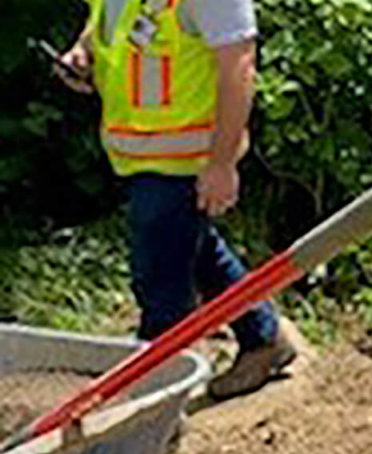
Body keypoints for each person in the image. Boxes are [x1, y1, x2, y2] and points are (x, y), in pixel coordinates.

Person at [58, 0, 294, 399]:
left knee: (159, 279)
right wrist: (83, 52)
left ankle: (155, 389)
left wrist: (221, 164)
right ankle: (262, 337)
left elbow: (238, 68)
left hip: (186, 159)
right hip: (140, 154)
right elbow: (105, 20)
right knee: (197, 251)